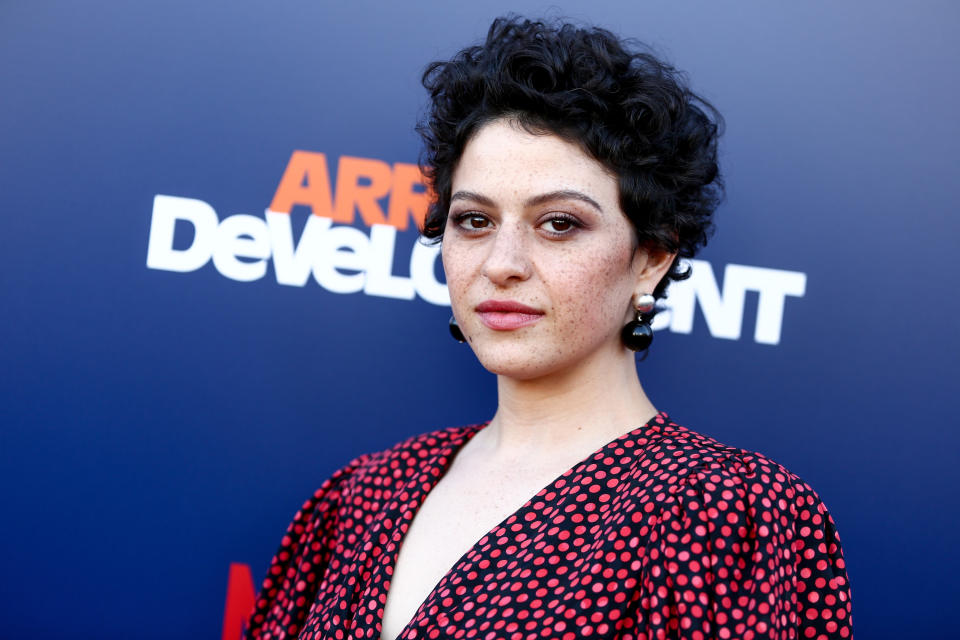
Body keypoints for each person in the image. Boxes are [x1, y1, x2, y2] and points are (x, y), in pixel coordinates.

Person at [245, 16, 852, 640]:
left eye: (559, 223)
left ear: (652, 256)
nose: (501, 264)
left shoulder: (723, 510)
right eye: (474, 221)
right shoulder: (364, 495)